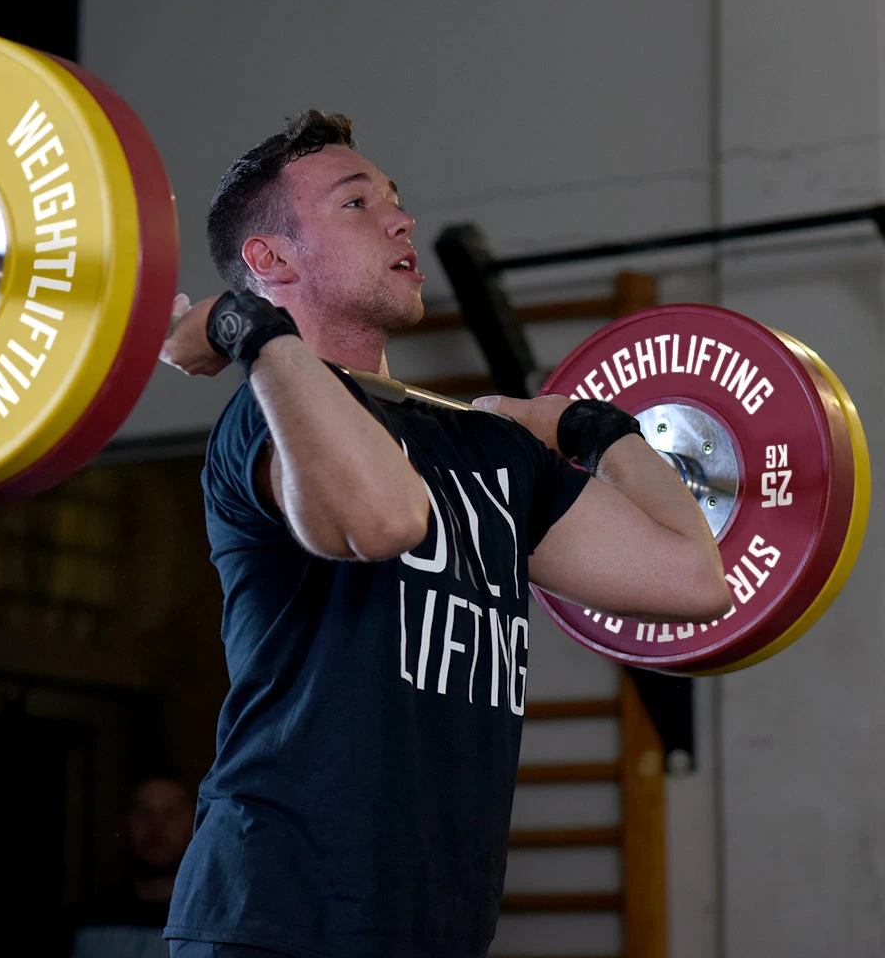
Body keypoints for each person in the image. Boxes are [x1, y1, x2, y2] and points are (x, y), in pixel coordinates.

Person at [157, 110, 731, 958]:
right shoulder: (267, 420)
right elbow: (385, 519)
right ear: (270, 261)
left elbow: (694, 580)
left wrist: (593, 429)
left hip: (433, 929)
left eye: (394, 198)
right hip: (274, 919)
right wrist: (249, 331)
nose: (401, 219)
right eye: (357, 203)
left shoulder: (490, 452)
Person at [70, 773, 196, 958]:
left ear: (193, 822)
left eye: (171, 814)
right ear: (125, 822)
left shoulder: (211, 925)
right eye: (144, 813)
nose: (156, 826)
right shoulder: (86, 921)